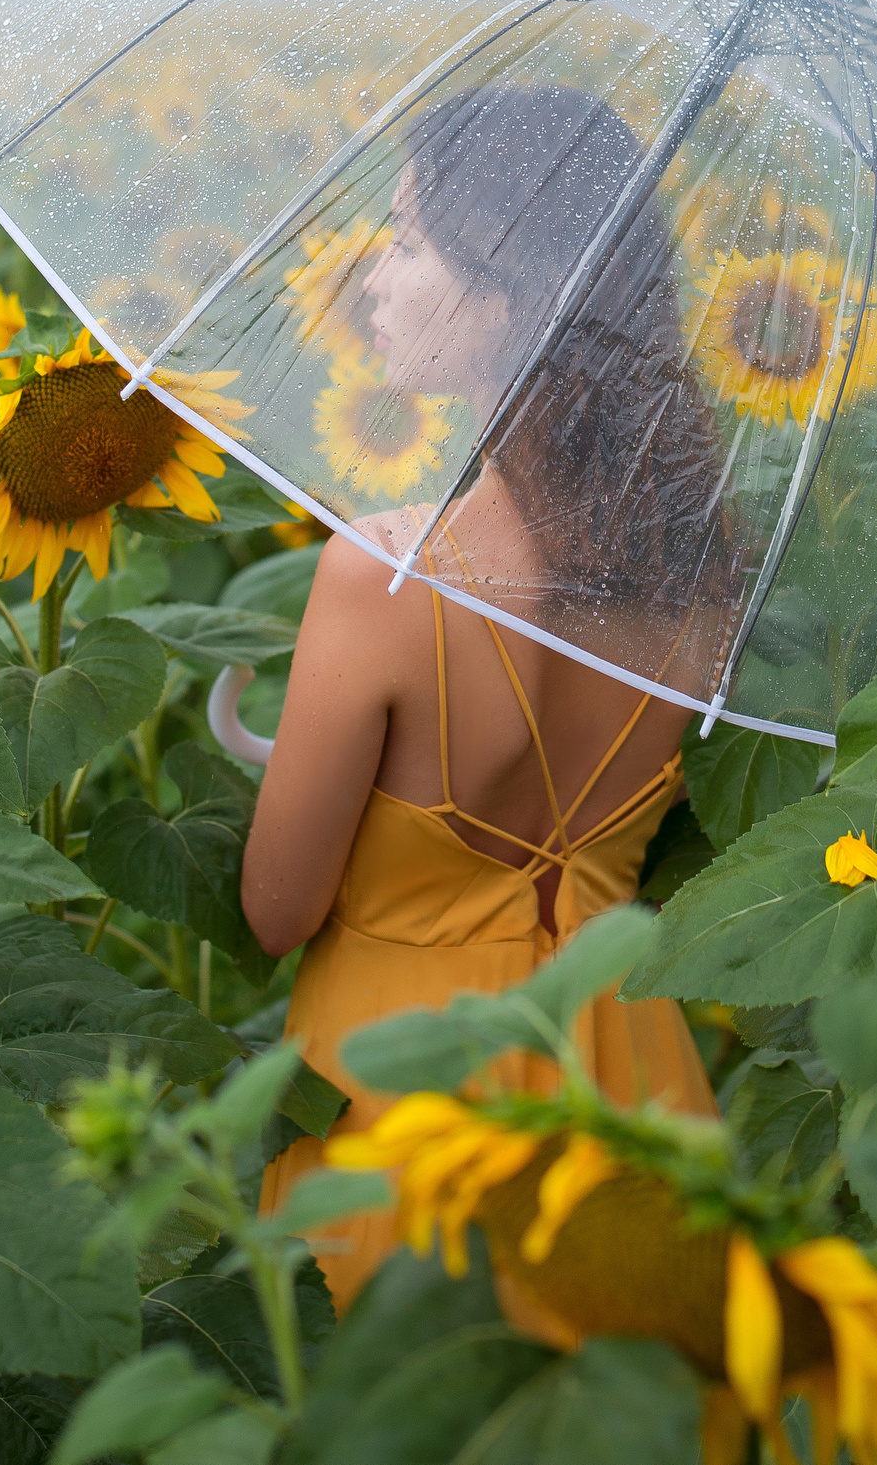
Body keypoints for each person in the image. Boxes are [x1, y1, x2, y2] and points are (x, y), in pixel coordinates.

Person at [247, 82, 740, 1309]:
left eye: (412, 241)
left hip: (406, 1104)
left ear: (509, 289)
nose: (375, 276)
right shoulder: (703, 561)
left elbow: (274, 908)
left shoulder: (385, 577)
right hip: (630, 1091)